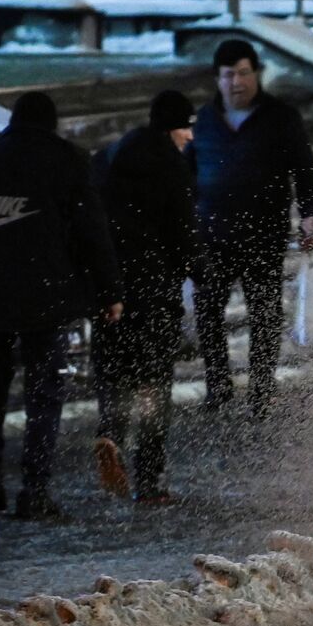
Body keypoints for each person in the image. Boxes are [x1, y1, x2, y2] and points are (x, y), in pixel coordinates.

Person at [0, 92, 123, 519]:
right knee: (44, 393)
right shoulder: (69, 161)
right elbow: (93, 231)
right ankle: (35, 489)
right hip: (46, 298)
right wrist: (109, 292)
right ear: (50, 123)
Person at [188, 38, 313, 418]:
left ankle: (262, 387)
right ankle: (218, 386)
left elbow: (304, 172)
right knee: (208, 311)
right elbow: (187, 175)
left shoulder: (281, 117)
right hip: (212, 235)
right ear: (217, 78)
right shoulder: (206, 121)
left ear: (256, 74)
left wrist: (311, 214)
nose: (237, 82)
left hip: (264, 232)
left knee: (264, 312)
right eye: (229, 75)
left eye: (244, 73)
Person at [91, 90, 199, 503]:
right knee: (153, 387)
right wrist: (197, 268)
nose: (189, 136)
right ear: (171, 127)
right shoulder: (170, 167)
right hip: (154, 292)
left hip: (111, 292)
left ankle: (110, 437)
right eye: (185, 127)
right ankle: (149, 481)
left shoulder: (109, 157)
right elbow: (184, 232)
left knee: (114, 380)